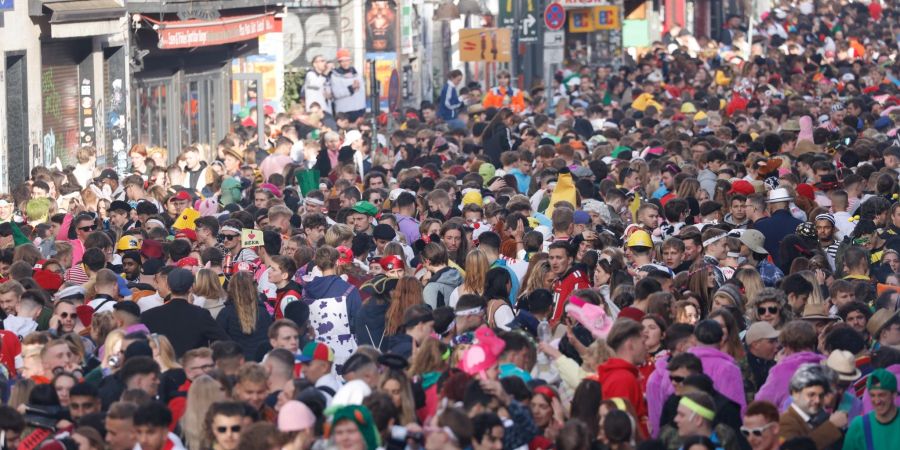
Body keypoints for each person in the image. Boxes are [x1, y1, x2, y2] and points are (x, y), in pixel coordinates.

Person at [140, 268, 230, 357]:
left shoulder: (149, 315)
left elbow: (135, 340)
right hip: (193, 367)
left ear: (168, 287)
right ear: (191, 288)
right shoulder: (201, 314)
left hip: (162, 366)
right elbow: (224, 340)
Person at [778, 364, 847, 448]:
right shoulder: (785, 422)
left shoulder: (820, 417)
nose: (817, 400)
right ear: (795, 393)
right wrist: (831, 426)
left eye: (821, 395)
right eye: (811, 395)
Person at [844, 368, 900, 450]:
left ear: (894, 395)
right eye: (872, 395)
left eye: (882, 395)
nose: (877, 401)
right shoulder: (859, 426)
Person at [331, 49, 366, 122]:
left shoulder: (357, 75)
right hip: (344, 112)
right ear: (339, 62)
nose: (345, 63)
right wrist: (351, 88)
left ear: (350, 61)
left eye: (346, 60)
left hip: (359, 110)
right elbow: (336, 93)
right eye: (342, 61)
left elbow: (362, 92)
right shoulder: (335, 76)